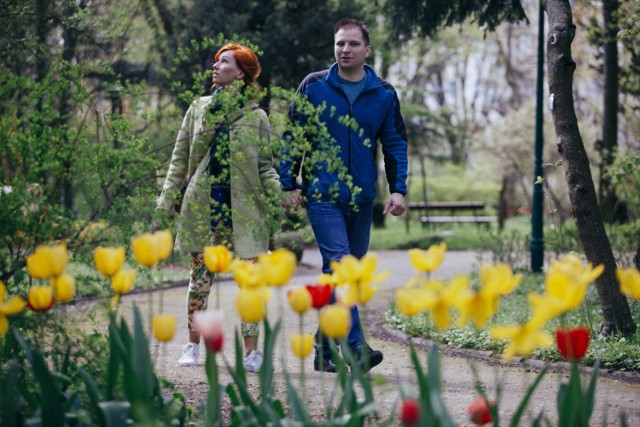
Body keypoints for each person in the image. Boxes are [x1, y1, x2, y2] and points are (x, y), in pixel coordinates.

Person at [279, 19, 408, 373]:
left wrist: (398, 188)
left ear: (367, 49)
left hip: (362, 199)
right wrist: (287, 182)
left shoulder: (383, 93)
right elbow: (293, 135)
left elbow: (395, 143)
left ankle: (322, 349)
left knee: (343, 279)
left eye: (352, 44)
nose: (345, 50)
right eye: (339, 44)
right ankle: (355, 348)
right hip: (323, 195)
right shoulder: (314, 85)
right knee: (341, 268)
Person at [156, 43, 280, 371]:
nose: (215, 66)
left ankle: (252, 352)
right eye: (216, 61)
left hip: (246, 210)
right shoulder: (199, 107)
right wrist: (167, 197)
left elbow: (265, 166)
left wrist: (280, 196)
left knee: (250, 282)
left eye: (224, 62)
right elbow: (180, 158)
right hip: (203, 205)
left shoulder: (257, 117)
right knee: (200, 279)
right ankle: (193, 345)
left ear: (241, 72)